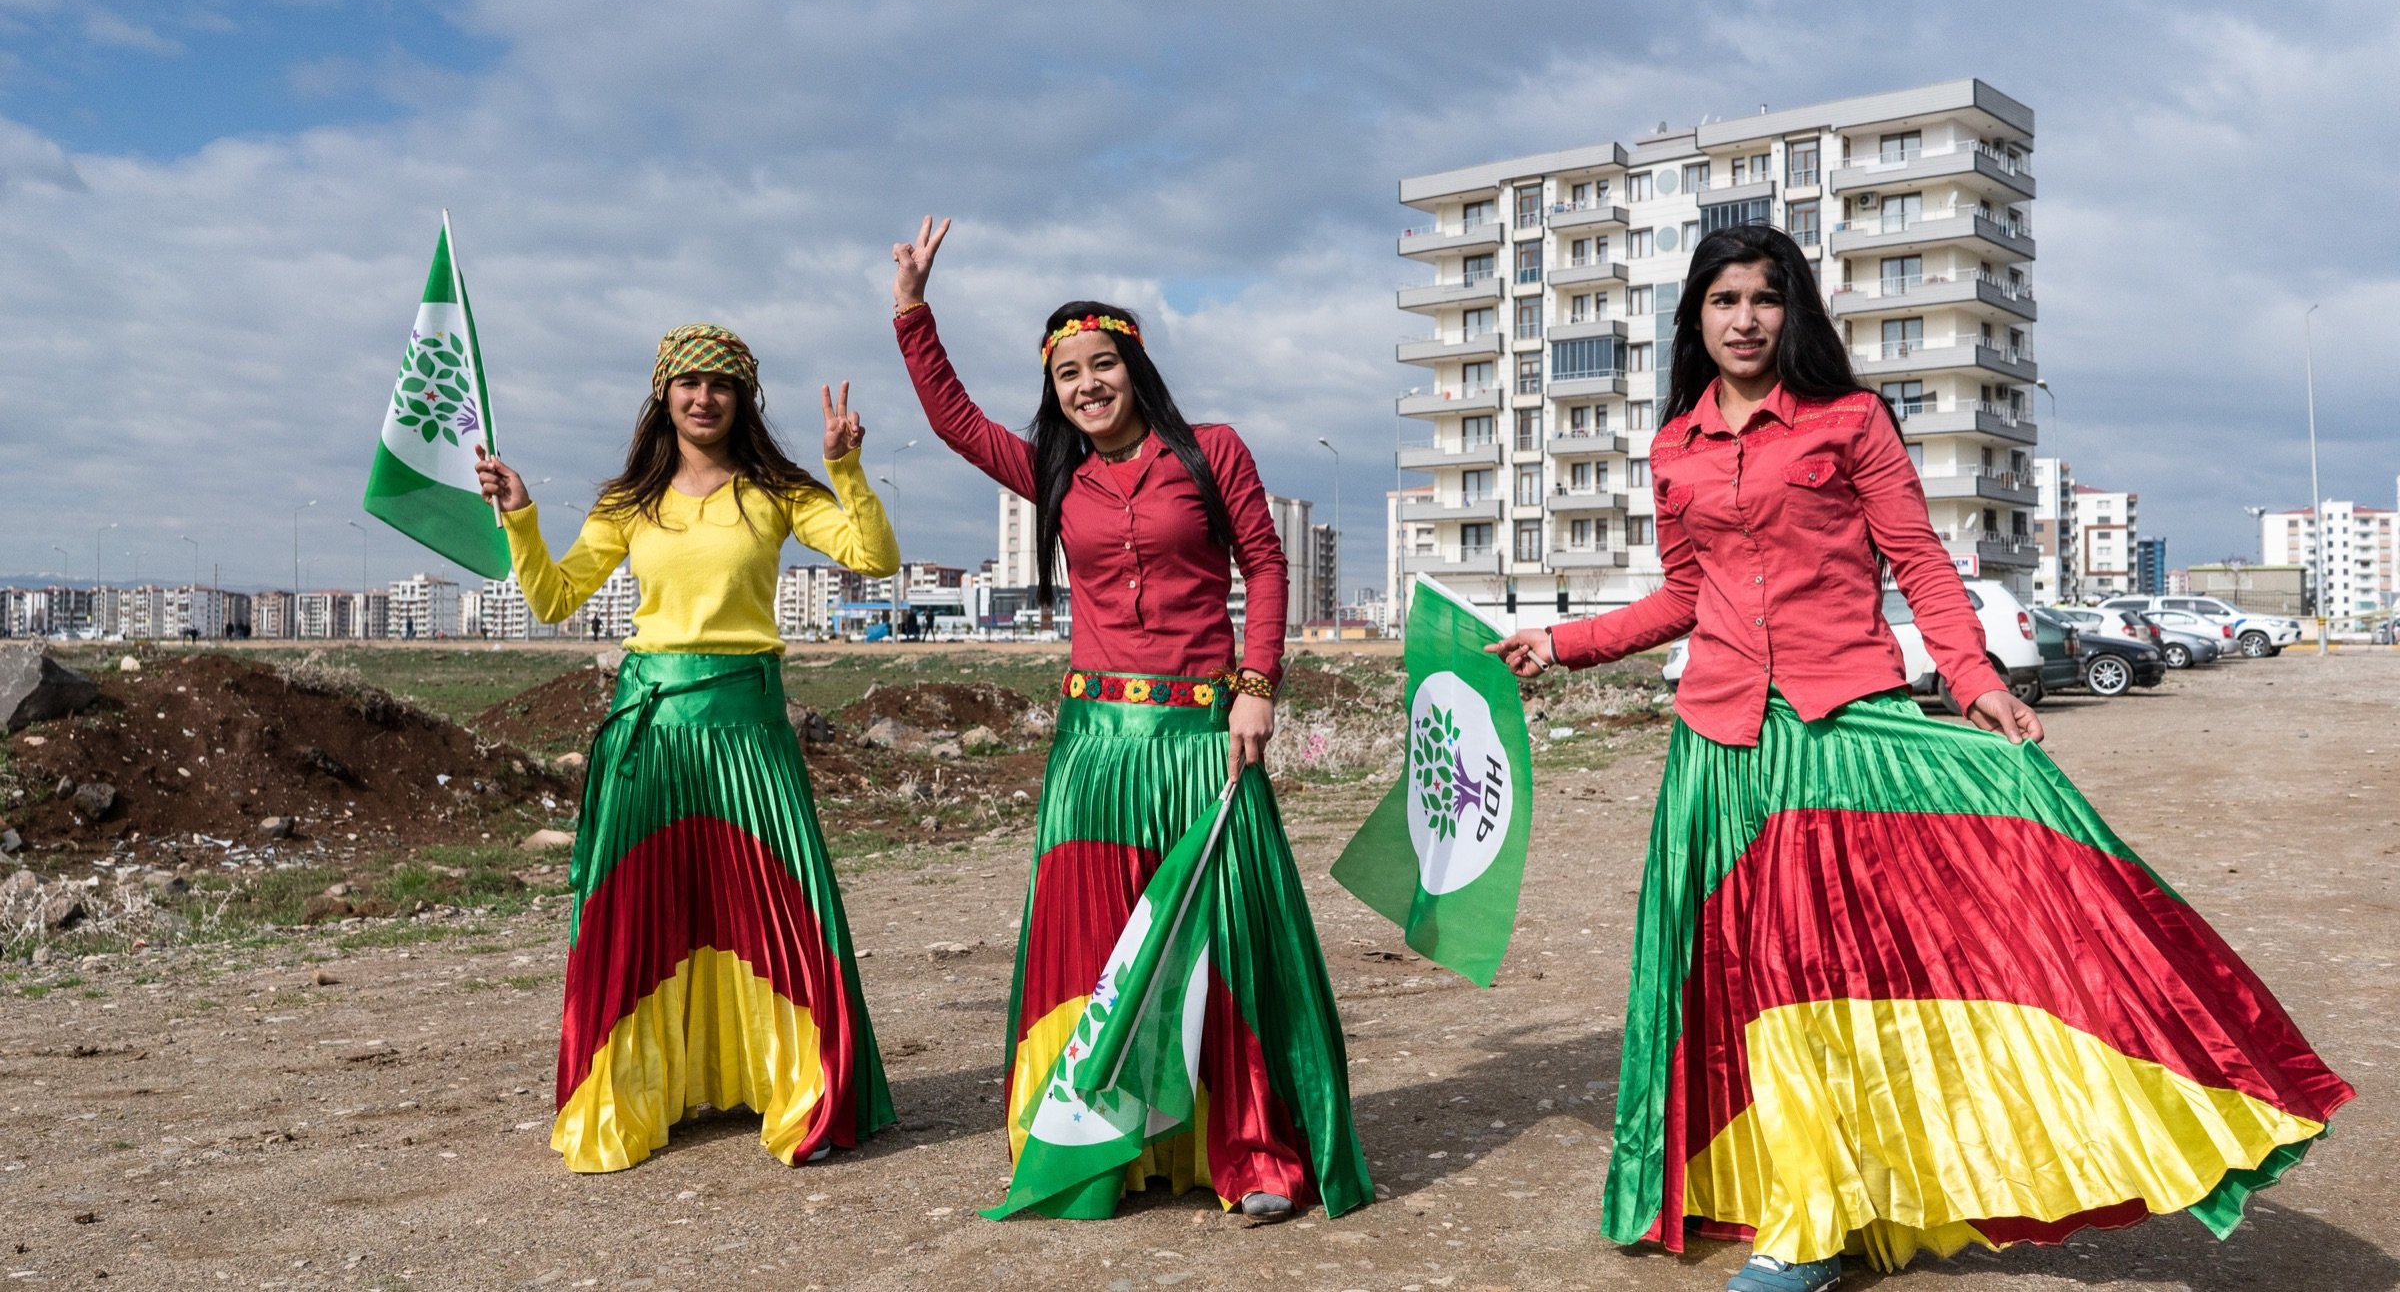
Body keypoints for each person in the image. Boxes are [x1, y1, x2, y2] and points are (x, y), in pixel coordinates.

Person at [1488, 225, 2351, 1292]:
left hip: (1838, 732)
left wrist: (1978, 680)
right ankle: (1789, 1191)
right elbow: (1682, 594)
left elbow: (1921, 564)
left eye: (1765, 298)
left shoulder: (1851, 422)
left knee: (1819, 977)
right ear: (1695, 320)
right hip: (1716, 750)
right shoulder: (1676, 446)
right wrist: (1558, 643)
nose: (1746, 319)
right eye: (1724, 301)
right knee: (1742, 982)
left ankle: (1815, 1221)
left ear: (1792, 312)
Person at [888, 217, 1370, 1221]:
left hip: (1200, 738)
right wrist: (912, 311)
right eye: (1068, 374)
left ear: (1135, 369)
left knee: (1220, 939)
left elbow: (1266, 566)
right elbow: (953, 421)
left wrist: (1258, 684)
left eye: (1102, 363)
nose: (1086, 384)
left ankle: (1247, 1148)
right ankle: (1104, 1148)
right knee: (1097, 946)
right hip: (1095, 749)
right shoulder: (1056, 475)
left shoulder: (1212, 452)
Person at [475, 323, 902, 1173]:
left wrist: (846, 468)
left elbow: (874, 555)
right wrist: (520, 516)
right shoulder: (628, 503)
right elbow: (556, 599)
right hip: (653, 728)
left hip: (749, 729)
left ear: (743, 399)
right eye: (688, 383)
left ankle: (800, 1081)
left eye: (721, 384)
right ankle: (638, 1089)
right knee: (642, 914)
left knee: (780, 908)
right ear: (662, 395)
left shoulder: (777, 489)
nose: (703, 397)